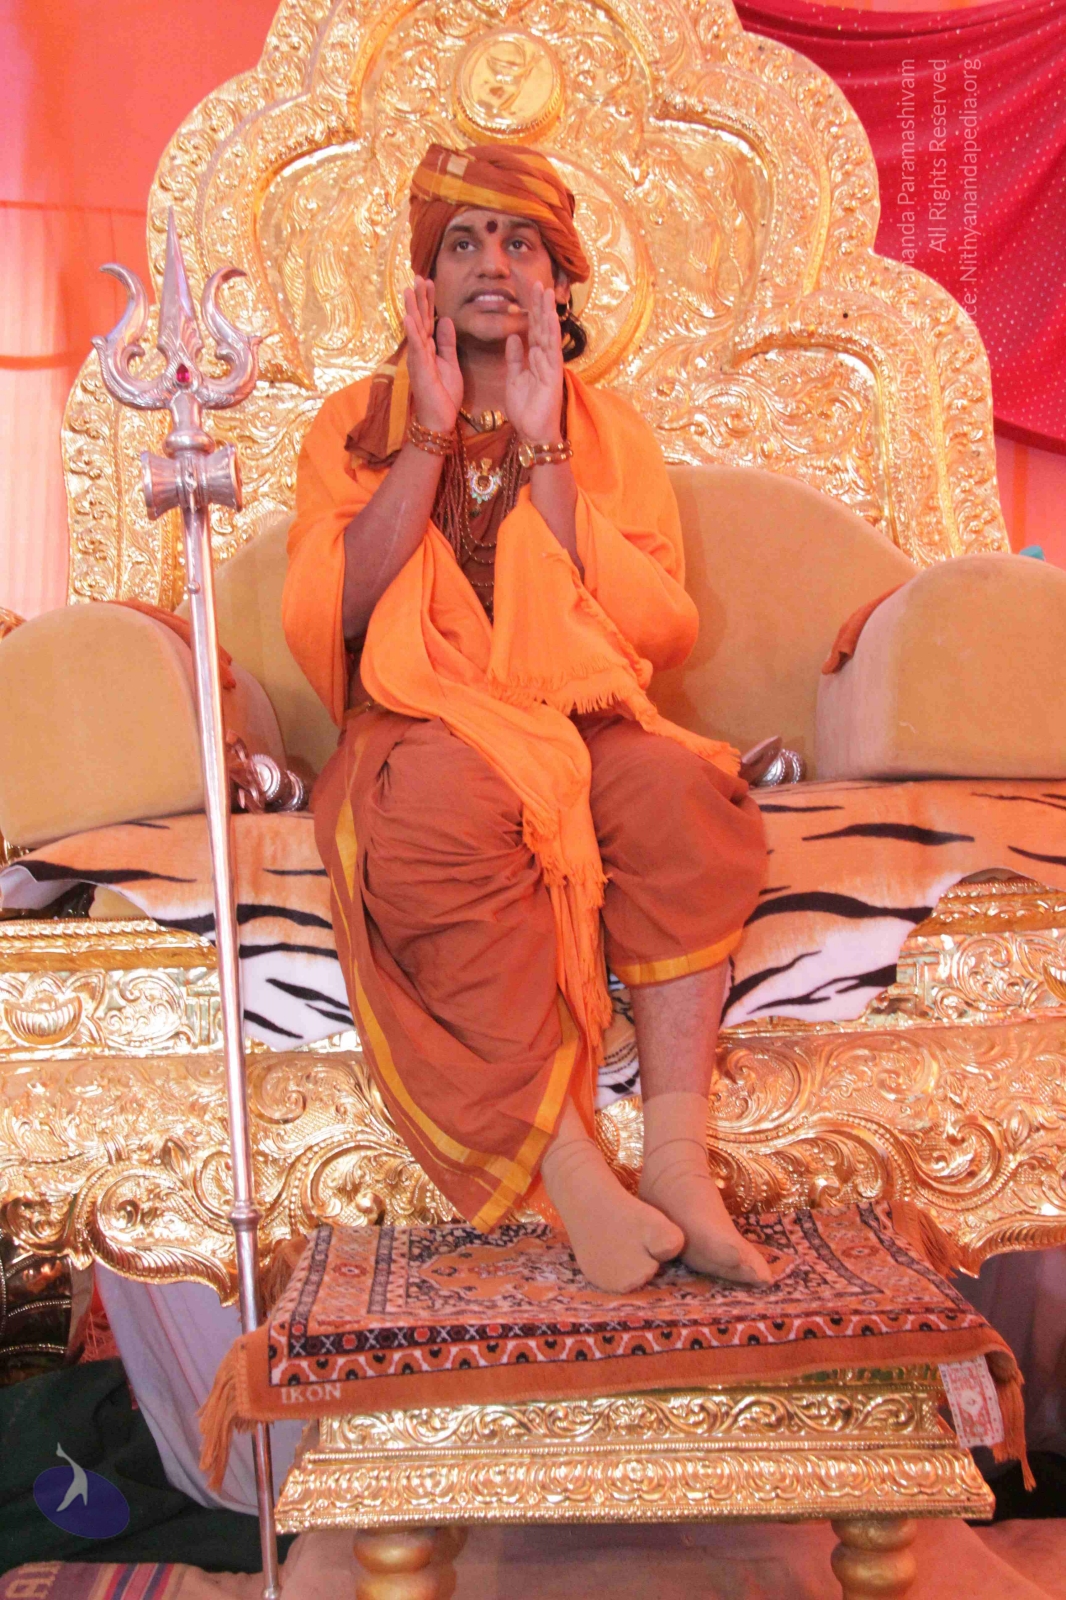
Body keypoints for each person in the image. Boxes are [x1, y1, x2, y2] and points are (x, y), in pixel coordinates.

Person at [283, 141, 770, 1293]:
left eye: (518, 242)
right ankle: (579, 1182)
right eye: (462, 241)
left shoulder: (607, 431)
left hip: (576, 714)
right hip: (424, 719)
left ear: (558, 278)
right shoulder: (354, 424)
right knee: (441, 804)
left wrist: (545, 446)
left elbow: (653, 626)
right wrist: (427, 432)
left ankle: (678, 1163)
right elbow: (336, 610)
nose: (491, 263)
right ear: (427, 278)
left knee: (676, 789)